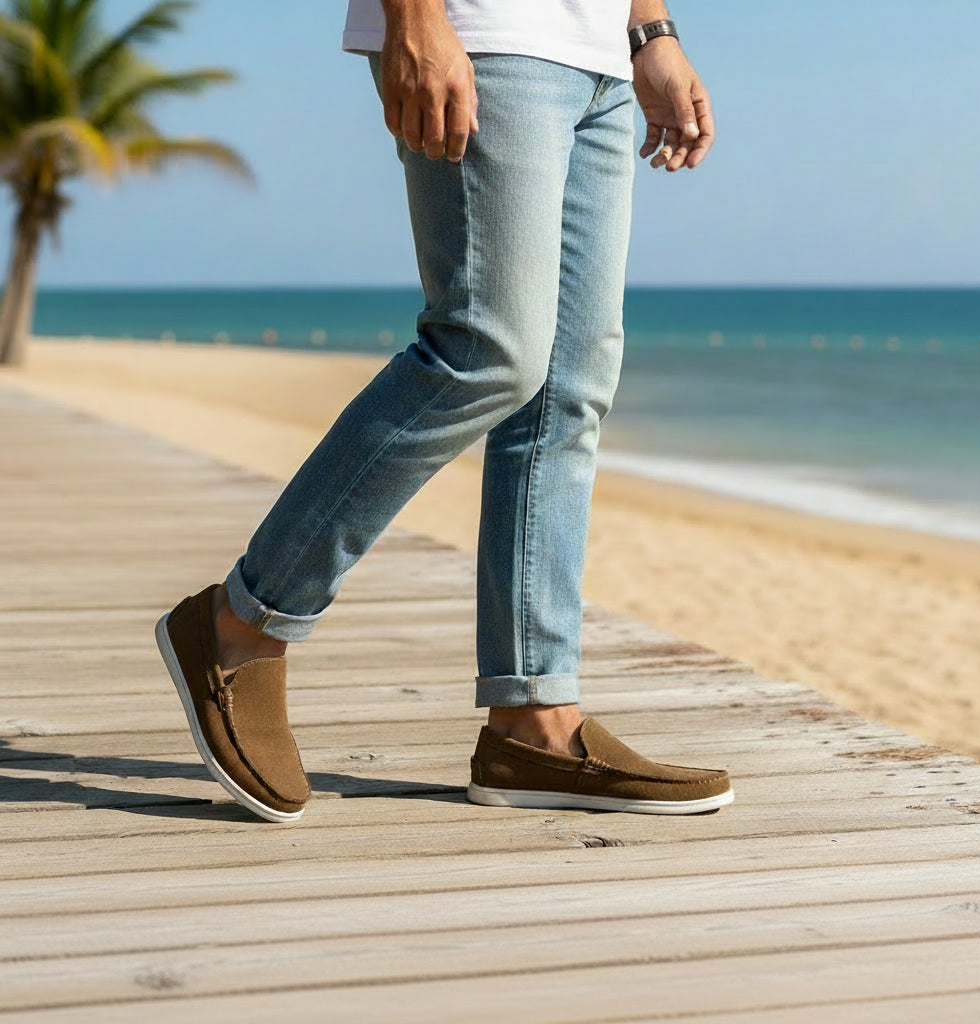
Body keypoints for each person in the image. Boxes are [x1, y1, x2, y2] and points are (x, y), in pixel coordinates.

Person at [156, 0, 734, 823]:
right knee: (486, 349)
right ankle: (243, 625)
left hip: (599, 51)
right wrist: (416, 16)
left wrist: (650, 30)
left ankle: (535, 720)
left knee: (568, 389)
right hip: (485, 31)